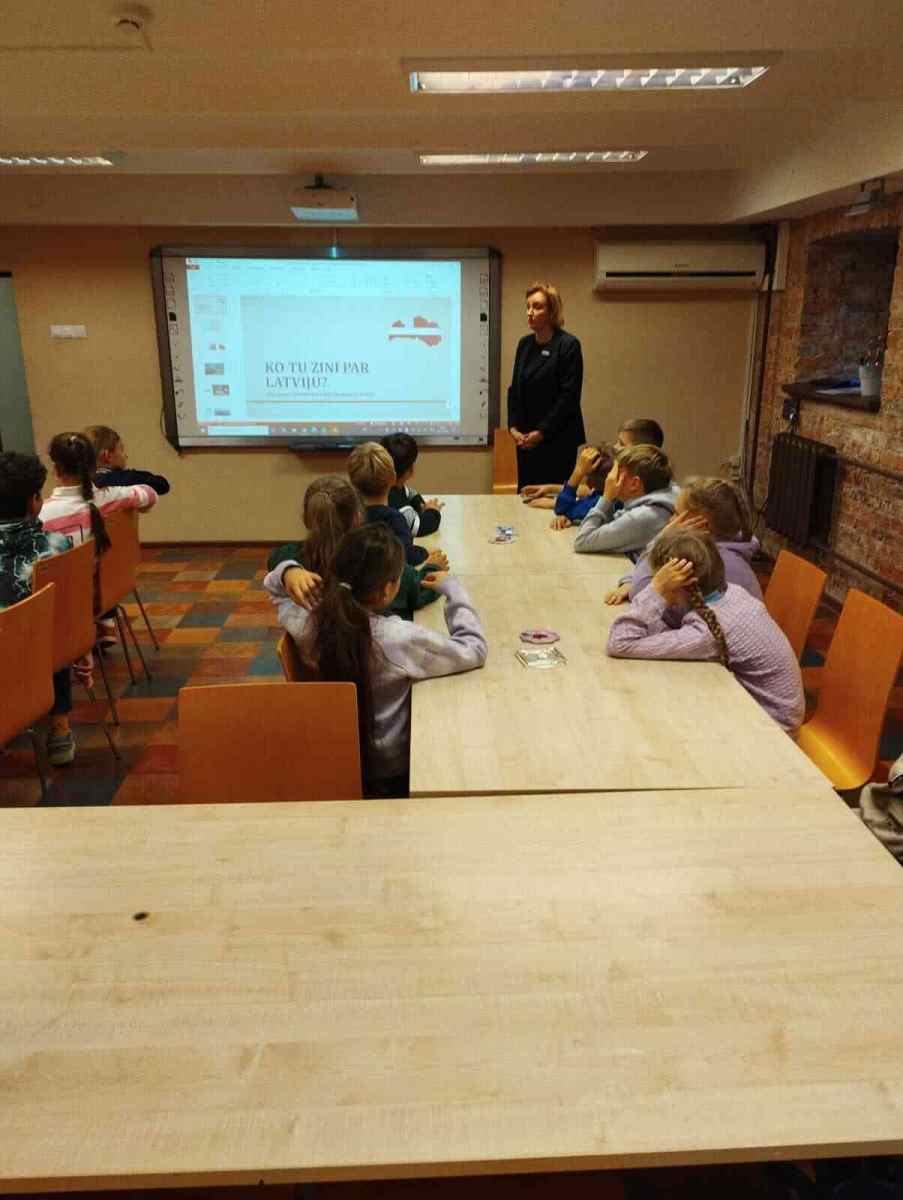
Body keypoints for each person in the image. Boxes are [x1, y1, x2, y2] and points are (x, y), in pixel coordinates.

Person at [270, 523, 488, 796]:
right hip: (389, 768)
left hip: (334, 753)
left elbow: (275, 590)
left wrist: (288, 571)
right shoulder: (397, 638)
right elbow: (474, 648)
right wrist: (454, 590)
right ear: (386, 591)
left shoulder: (307, 623)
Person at [607, 527, 804, 734]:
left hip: (773, 729)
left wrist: (656, 589)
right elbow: (661, 635)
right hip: (773, 712)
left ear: (679, 584)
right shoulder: (732, 593)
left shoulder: (707, 631)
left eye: (661, 580)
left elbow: (620, 642)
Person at [265, 474, 445, 620]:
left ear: (306, 519)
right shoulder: (375, 562)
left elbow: (275, 558)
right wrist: (432, 567)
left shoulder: (297, 557)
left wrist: (289, 571)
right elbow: (418, 589)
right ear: (359, 518)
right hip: (374, 651)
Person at [0, 452, 76, 764]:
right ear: (34, 501)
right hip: (35, 660)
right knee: (52, 629)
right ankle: (60, 728)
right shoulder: (56, 546)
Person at [604, 476, 762, 606]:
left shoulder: (709, 563)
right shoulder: (714, 549)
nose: (670, 521)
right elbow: (650, 579)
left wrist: (661, 540)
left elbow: (640, 593)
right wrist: (630, 580)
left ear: (701, 526)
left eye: (676, 514)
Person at [507, 283, 585, 488]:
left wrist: (541, 433)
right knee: (527, 494)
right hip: (526, 440)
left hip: (557, 439)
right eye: (528, 306)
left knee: (553, 499)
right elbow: (514, 390)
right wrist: (513, 428)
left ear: (552, 311)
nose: (530, 312)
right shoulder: (524, 344)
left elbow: (568, 397)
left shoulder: (568, 345)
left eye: (537, 307)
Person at [40, 431, 158, 545]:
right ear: (93, 466)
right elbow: (150, 494)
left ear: (56, 469)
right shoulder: (112, 498)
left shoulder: (42, 515)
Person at [573, 444, 677, 559]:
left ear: (634, 484)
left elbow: (582, 541)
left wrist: (606, 497)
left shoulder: (642, 517)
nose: (611, 478)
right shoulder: (667, 491)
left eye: (616, 472)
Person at [347, 441, 430, 566]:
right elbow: (404, 557)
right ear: (393, 478)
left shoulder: (348, 515)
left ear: (353, 481)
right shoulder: (395, 520)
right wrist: (425, 555)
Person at [380, 432, 443, 537]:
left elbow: (410, 493)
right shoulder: (394, 500)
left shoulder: (389, 486)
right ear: (410, 470)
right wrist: (433, 511)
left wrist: (420, 505)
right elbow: (419, 527)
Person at [84, 425, 171, 495]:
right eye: (121, 450)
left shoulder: (81, 483)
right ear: (107, 456)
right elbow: (162, 485)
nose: (126, 455)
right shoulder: (123, 479)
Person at [548, 444, 615, 530]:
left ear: (590, 483)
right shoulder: (601, 496)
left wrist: (578, 472)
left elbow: (561, 509)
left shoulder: (596, 502)